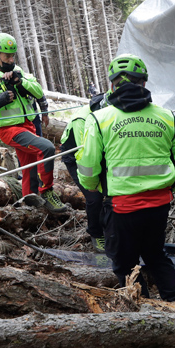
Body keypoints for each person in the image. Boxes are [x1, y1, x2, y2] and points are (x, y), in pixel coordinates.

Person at [78, 54, 175, 301]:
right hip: (159, 203)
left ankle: (143, 311)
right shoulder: (167, 117)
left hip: (121, 207)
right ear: (144, 83)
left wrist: (96, 188)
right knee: (156, 255)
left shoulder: (99, 119)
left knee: (126, 264)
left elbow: (88, 167)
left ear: (111, 85)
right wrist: (168, 188)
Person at [0, 32, 67, 213]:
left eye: (13, 55)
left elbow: (38, 90)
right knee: (47, 148)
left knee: (29, 167)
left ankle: (30, 206)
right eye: (7, 56)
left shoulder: (18, 71)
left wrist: (21, 82)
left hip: (29, 125)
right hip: (9, 129)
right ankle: (47, 192)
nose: (11, 59)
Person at [60, 91, 108, 251]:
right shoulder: (82, 119)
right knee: (94, 196)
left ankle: (111, 228)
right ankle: (96, 233)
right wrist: (93, 182)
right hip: (76, 156)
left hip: (98, 151)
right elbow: (86, 155)